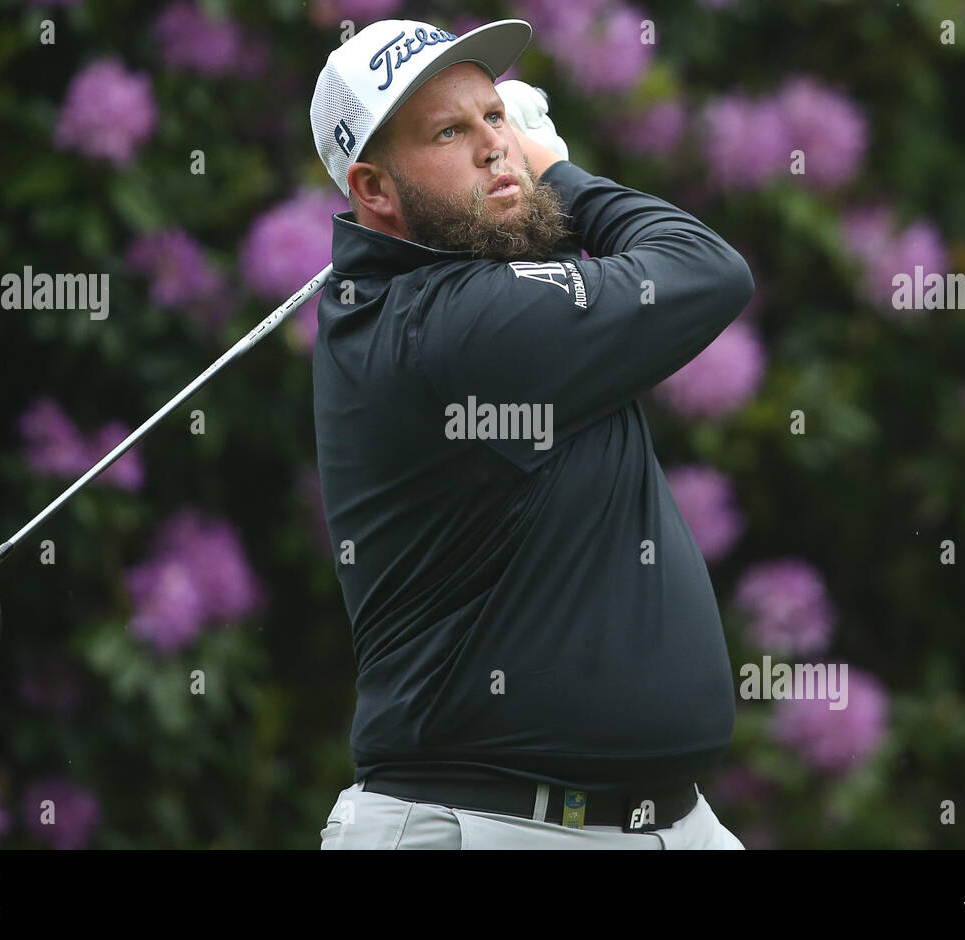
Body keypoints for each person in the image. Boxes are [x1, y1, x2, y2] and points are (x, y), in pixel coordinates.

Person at [308, 17, 755, 849]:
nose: (494, 147)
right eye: (451, 131)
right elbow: (705, 268)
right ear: (374, 189)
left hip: (671, 824)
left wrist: (523, 176)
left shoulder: (451, 292)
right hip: (486, 826)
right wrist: (559, 170)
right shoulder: (447, 326)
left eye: (495, 117)